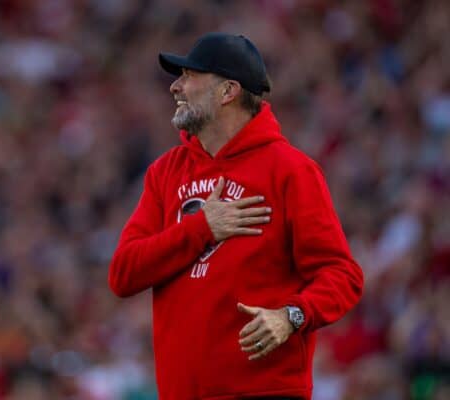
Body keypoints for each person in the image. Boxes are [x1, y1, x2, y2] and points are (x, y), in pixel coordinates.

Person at [108, 32, 363, 400]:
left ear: (228, 91)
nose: (175, 87)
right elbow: (123, 274)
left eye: (189, 76)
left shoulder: (290, 171)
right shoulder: (165, 173)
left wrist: (291, 316)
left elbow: (343, 275)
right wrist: (202, 228)